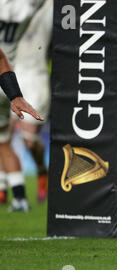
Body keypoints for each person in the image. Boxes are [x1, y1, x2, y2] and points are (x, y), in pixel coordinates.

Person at [0, 0, 46, 211]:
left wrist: (15, 95)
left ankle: (13, 188)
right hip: (13, 79)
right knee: (4, 139)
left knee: (16, 140)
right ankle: (14, 193)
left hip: (21, 79)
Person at [8, 0, 53, 203]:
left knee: (28, 139)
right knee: (3, 135)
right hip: (10, 76)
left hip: (35, 78)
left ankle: (42, 171)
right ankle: (5, 190)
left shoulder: (49, 7)